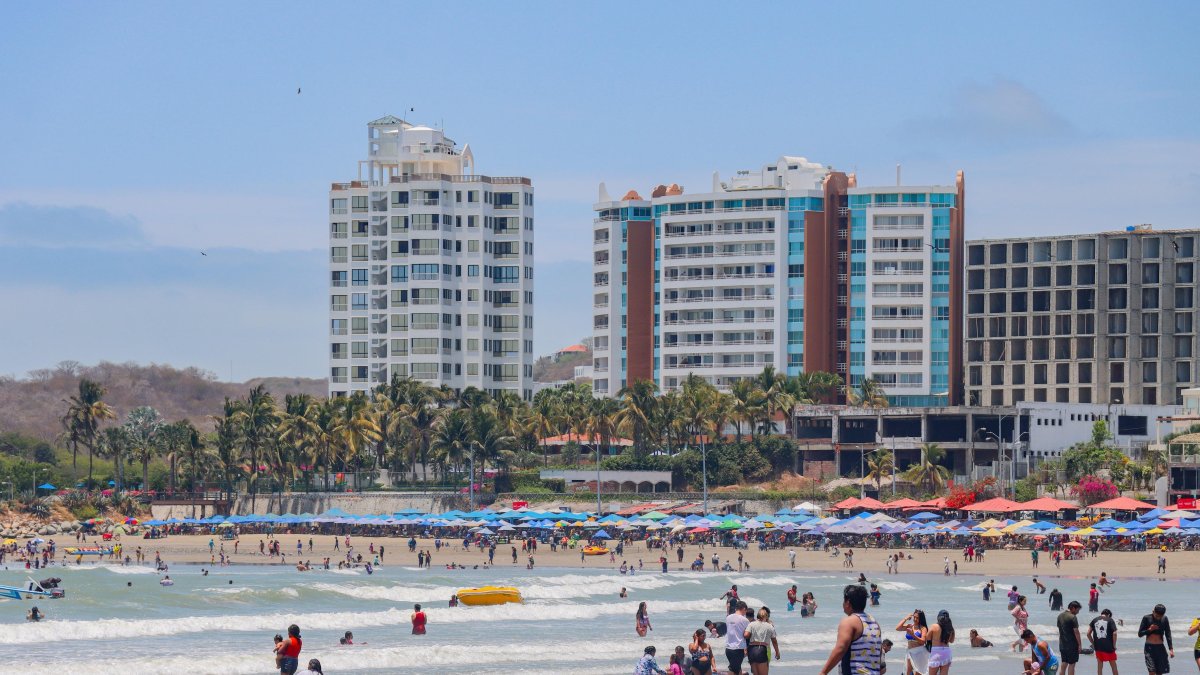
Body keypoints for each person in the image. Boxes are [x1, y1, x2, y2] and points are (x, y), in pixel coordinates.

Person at [819, 584, 883, 675]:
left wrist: (823, 672)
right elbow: (879, 653)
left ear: (848, 603)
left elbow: (840, 648)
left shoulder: (849, 622)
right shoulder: (874, 622)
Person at [1138, 603, 1173, 675]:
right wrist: (1149, 630)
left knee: (1159, 672)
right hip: (1149, 648)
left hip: (1160, 648)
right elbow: (1140, 634)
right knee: (1151, 671)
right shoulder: (1146, 618)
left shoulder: (1165, 619)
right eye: (1157, 616)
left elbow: (1168, 634)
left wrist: (1171, 649)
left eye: (1160, 616)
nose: (1158, 618)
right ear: (1153, 611)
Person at [745, 607, 780, 674]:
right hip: (762, 649)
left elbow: (746, 635)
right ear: (766, 616)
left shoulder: (751, 624)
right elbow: (774, 641)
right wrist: (777, 652)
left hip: (751, 650)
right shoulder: (769, 626)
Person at [897, 609, 930, 675]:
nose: (915, 619)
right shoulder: (910, 626)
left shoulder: (923, 628)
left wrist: (913, 635)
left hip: (919, 652)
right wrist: (906, 618)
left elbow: (923, 642)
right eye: (914, 617)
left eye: (917, 618)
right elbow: (898, 628)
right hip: (910, 652)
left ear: (921, 618)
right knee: (908, 671)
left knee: (918, 672)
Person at [1088, 608, 1118, 675]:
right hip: (1109, 647)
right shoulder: (1110, 620)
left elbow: (1088, 634)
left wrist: (1093, 643)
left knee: (1099, 666)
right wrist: (1114, 645)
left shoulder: (1094, 620)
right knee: (1113, 666)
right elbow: (1115, 633)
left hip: (1098, 647)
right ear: (1109, 615)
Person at [1057, 601, 1082, 675]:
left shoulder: (1060, 615)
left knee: (1064, 663)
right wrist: (1080, 645)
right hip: (1072, 644)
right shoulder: (1073, 617)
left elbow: (1060, 628)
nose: (1078, 612)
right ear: (1073, 608)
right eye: (1077, 610)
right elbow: (1076, 632)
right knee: (1072, 664)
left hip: (1062, 644)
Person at [726, 601, 751, 675]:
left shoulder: (728, 618)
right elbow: (747, 634)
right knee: (733, 669)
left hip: (728, 648)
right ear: (743, 608)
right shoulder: (744, 620)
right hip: (738, 648)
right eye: (745, 611)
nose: (745, 613)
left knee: (737, 668)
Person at [927, 610, 955, 675]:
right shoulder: (950, 628)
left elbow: (927, 638)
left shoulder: (934, 626)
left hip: (936, 653)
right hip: (946, 652)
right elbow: (952, 641)